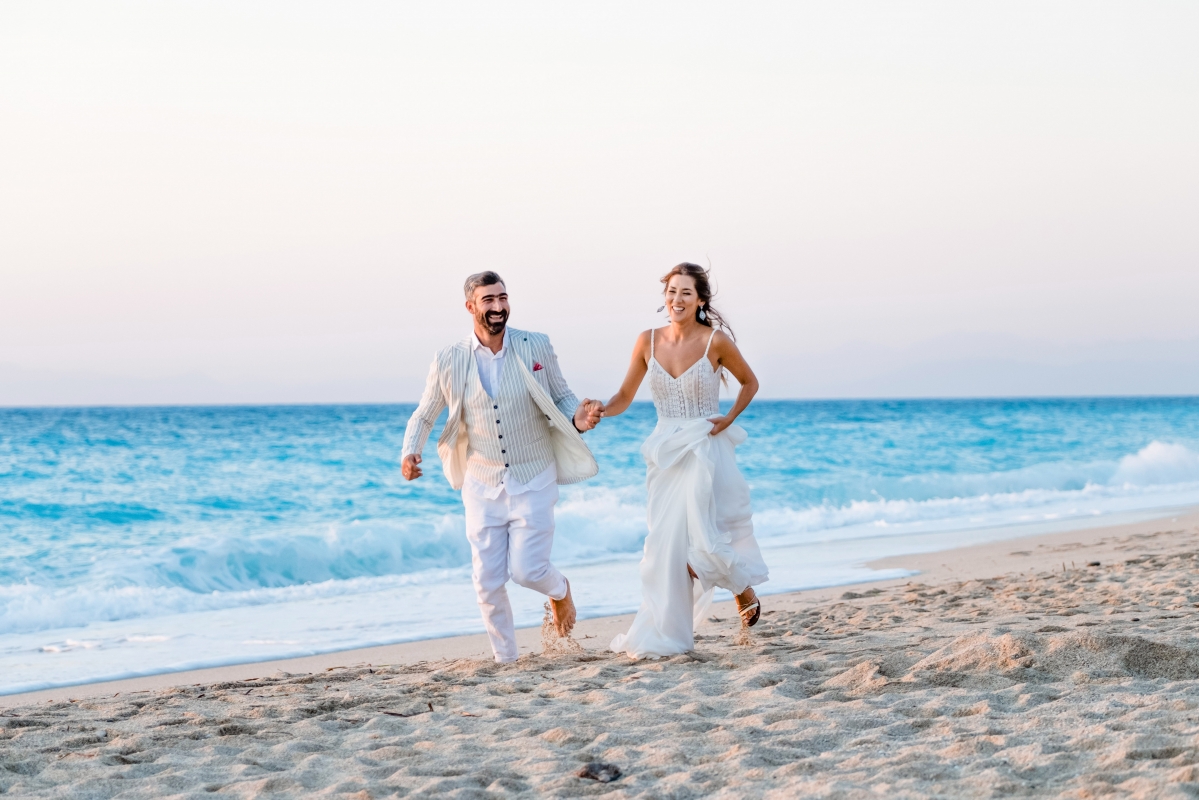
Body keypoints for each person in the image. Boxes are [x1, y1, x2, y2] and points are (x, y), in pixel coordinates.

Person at [400, 271, 604, 664]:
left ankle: (560, 590)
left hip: (533, 474)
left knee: (528, 570)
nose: (498, 307)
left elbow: (562, 397)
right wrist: (410, 452)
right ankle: (505, 661)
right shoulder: (449, 359)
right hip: (481, 482)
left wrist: (581, 417)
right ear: (470, 307)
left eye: (503, 298)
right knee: (487, 581)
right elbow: (425, 414)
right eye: (488, 300)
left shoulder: (534, 345)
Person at [602, 263, 769, 659]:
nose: (677, 300)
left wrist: (728, 418)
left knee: (704, 538)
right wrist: (598, 411)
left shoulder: (716, 342)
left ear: (701, 300)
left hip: (705, 447)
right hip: (665, 452)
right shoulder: (647, 341)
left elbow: (750, 382)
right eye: (672, 292)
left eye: (686, 294)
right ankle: (674, 633)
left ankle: (739, 586)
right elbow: (624, 397)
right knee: (664, 548)